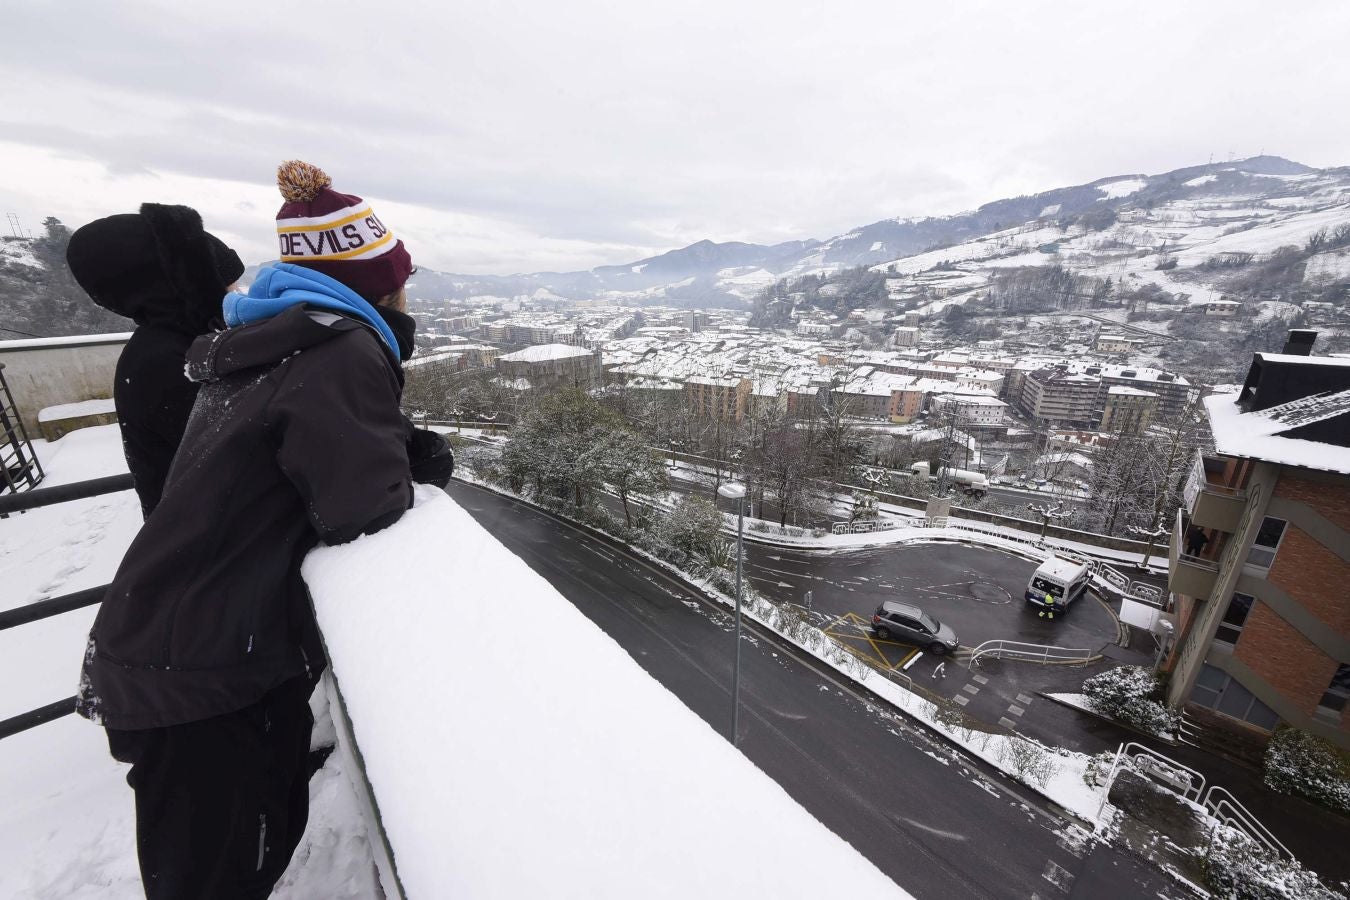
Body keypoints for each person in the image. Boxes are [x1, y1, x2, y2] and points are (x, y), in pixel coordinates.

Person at [76, 161, 424, 899]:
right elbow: (361, 509)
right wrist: (412, 459)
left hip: (179, 646)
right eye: (401, 278)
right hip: (209, 669)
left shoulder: (263, 340)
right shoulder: (342, 350)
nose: (407, 293)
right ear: (376, 284)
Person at [66, 205, 244, 517]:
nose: (239, 293)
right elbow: (243, 462)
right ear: (191, 283)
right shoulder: (165, 365)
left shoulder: (184, 343)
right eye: (229, 284)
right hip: (213, 547)